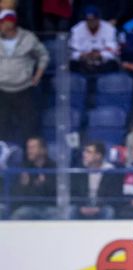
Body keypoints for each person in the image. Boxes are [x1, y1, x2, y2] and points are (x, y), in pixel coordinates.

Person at [0, 9, 49, 143]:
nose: (1, 26)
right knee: (2, 126)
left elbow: (43, 55)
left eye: (3, 22)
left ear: (11, 23)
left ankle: (27, 158)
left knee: (29, 126)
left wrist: (37, 75)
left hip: (24, 89)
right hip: (2, 90)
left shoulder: (28, 38)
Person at [70, 142, 123, 220]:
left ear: (98, 156)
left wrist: (98, 207)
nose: (84, 154)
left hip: (102, 207)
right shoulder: (80, 171)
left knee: (109, 211)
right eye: (84, 151)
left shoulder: (110, 172)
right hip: (83, 206)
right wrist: (81, 207)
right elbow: (74, 193)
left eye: (89, 152)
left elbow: (113, 195)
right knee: (71, 211)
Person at [9, 136, 58, 220]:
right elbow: (17, 194)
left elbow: (54, 192)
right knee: (19, 215)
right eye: (28, 148)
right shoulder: (23, 168)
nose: (29, 151)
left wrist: (42, 184)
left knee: (60, 215)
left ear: (43, 150)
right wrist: (24, 185)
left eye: (33, 147)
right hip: (29, 207)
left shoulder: (54, 167)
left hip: (50, 207)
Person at [69, 5, 119, 74]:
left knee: (112, 65)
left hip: (104, 64)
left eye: (93, 19)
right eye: (88, 20)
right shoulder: (76, 29)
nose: (91, 22)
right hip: (82, 64)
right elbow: (71, 52)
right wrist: (82, 55)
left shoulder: (109, 29)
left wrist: (101, 55)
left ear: (98, 19)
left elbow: (114, 51)